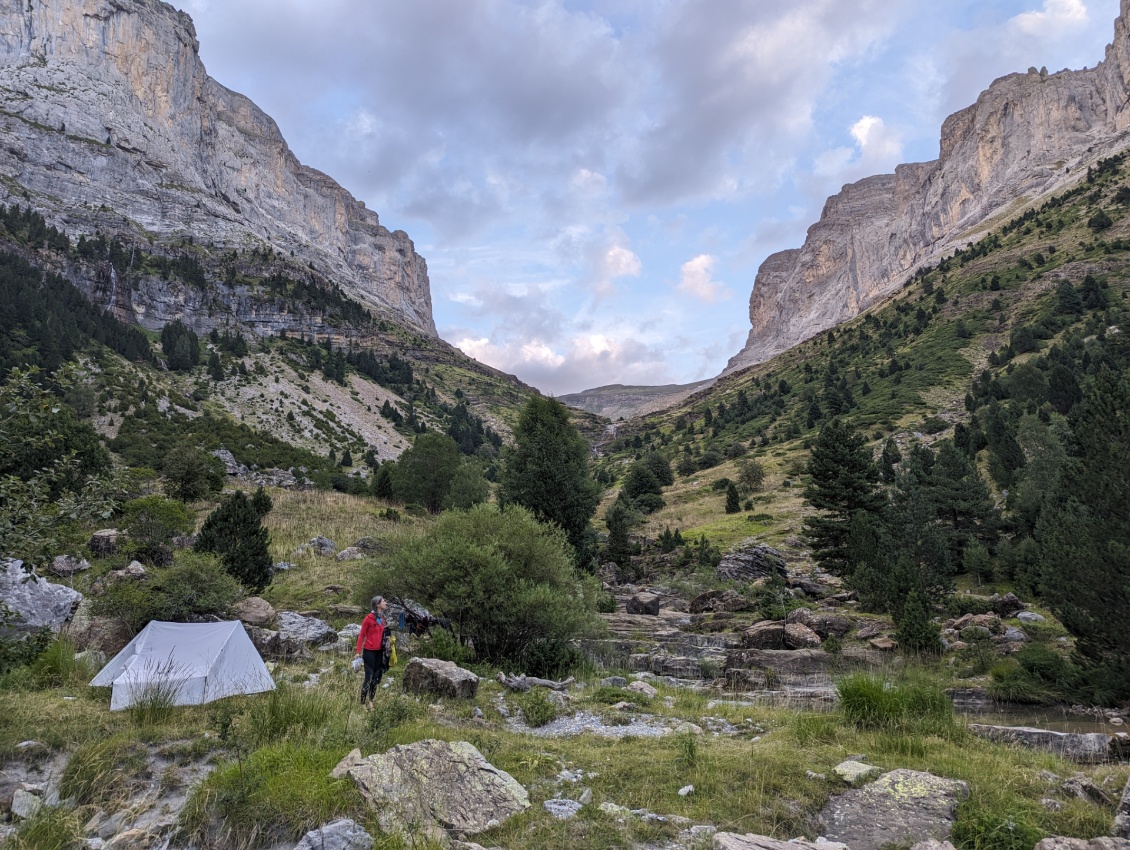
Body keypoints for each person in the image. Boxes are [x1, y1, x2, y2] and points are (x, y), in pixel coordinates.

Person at [355, 595, 390, 708]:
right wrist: (357, 651)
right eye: (383, 601)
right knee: (368, 677)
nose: (385, 603)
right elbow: (361, 635)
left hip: (379, 652)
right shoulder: (368, 618)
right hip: (369, 652)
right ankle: (362, 703)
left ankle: (371, 702)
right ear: (377, 604)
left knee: (376, 677)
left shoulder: (383, 618)